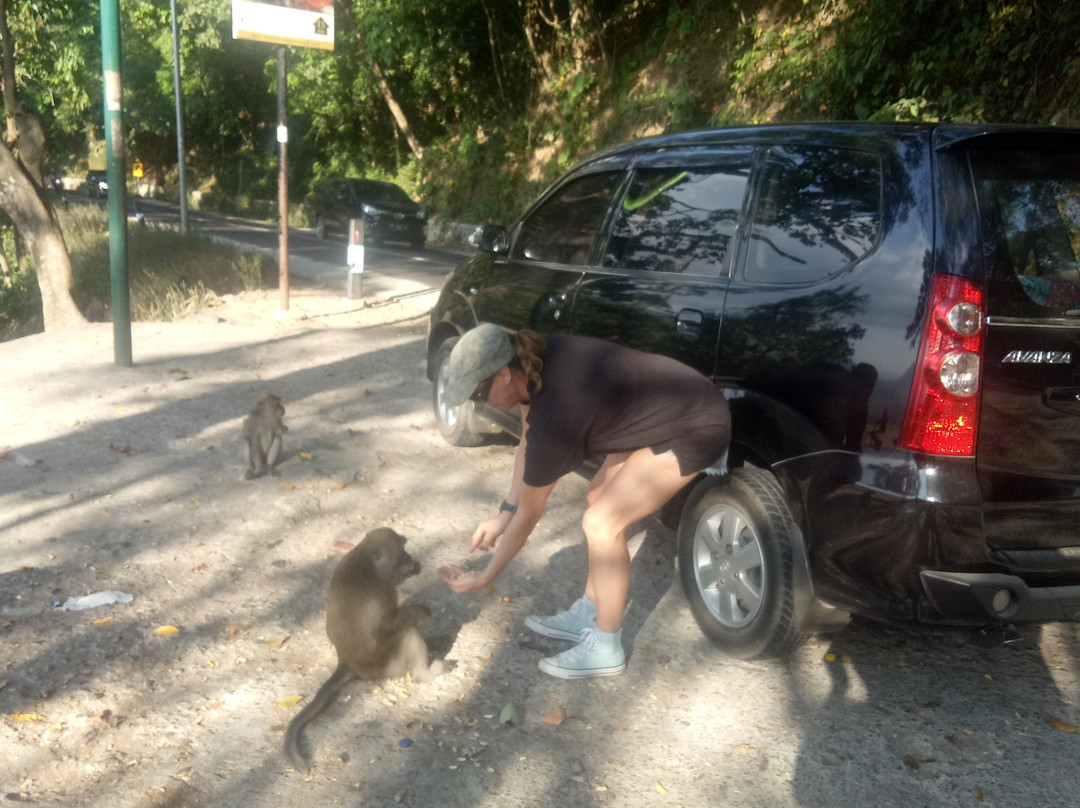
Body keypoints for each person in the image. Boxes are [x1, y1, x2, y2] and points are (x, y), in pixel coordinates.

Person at [437, 324, 731, 679]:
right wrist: (504, 513)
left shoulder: (556, 410)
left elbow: (530, 513)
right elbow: (527, 441)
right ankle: (592, 610)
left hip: (695, 423)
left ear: (503, 375)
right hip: (659, 407)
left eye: (478, 392)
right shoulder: (530, 362)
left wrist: (486, 575)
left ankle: (607, 646)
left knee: (602, 523)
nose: (477, 403)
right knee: (598, 496)